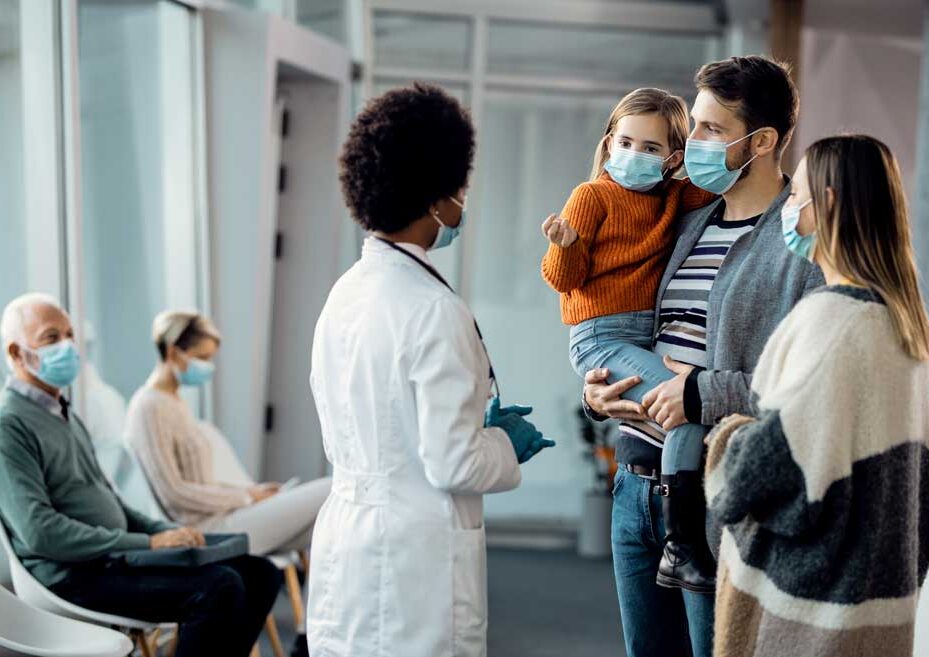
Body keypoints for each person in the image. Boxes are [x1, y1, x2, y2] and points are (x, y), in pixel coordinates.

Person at [579, 56, 824, 657]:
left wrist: (701, 393)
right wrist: (599, 395)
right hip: (635, 484)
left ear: (762, 142)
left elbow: (807, 391)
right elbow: (634, 330)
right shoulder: (686, 222)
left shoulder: (800, 247)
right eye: (696, 131)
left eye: (713, 131)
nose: (694, 146)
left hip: (719, 500)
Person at [307, 83, 554, 657]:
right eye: (460, 188)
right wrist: (503, 444)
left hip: (347, 536)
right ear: (437, 197)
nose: (462, 202)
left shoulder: (345, 293)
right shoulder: (433, 309)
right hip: (413, 560)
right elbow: (454, 463)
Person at [703, 135, 929, 657]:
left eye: (797, 196)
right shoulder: (902, 327)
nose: (788, 207)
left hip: (803, 623)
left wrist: (725, 437)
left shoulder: (831, 321)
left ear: (828, 204)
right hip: (874, 621)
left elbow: (757, 475)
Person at [0, 293, 281, 657]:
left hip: (112, 558)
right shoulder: (10, 425)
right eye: (52, 337)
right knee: (219, 587)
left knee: (260, 572)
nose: (68, 346)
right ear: (17, 354)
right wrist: (145, 544)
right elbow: (40, 533)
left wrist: (165, 533)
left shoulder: (63, 413)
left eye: (70, 335)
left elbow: (111, 502)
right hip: (71, 575)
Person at [540, 87, 718, 587]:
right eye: (625, 142)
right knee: (685, 407)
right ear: (609, 141)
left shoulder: (672, 198)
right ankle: (683, 540)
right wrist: (566, 245)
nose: (633, 155)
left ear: (673, 158)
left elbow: (722, 185)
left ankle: (675, 529)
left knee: (681, 405)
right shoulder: (591, 195)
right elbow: (562, 279)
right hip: (600, 335)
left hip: (643, 336)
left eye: (650, 148)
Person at [125, 310, 333, 556]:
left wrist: (250, 493)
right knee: (332, 490)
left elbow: (201, 483)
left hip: (225, 514)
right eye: (201, 357)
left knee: (324, 523)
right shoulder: (149, 407)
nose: (207, 367)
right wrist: (246, 497)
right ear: (172, 352)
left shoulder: (174, 401)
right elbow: (174, 494)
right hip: (207, 528)